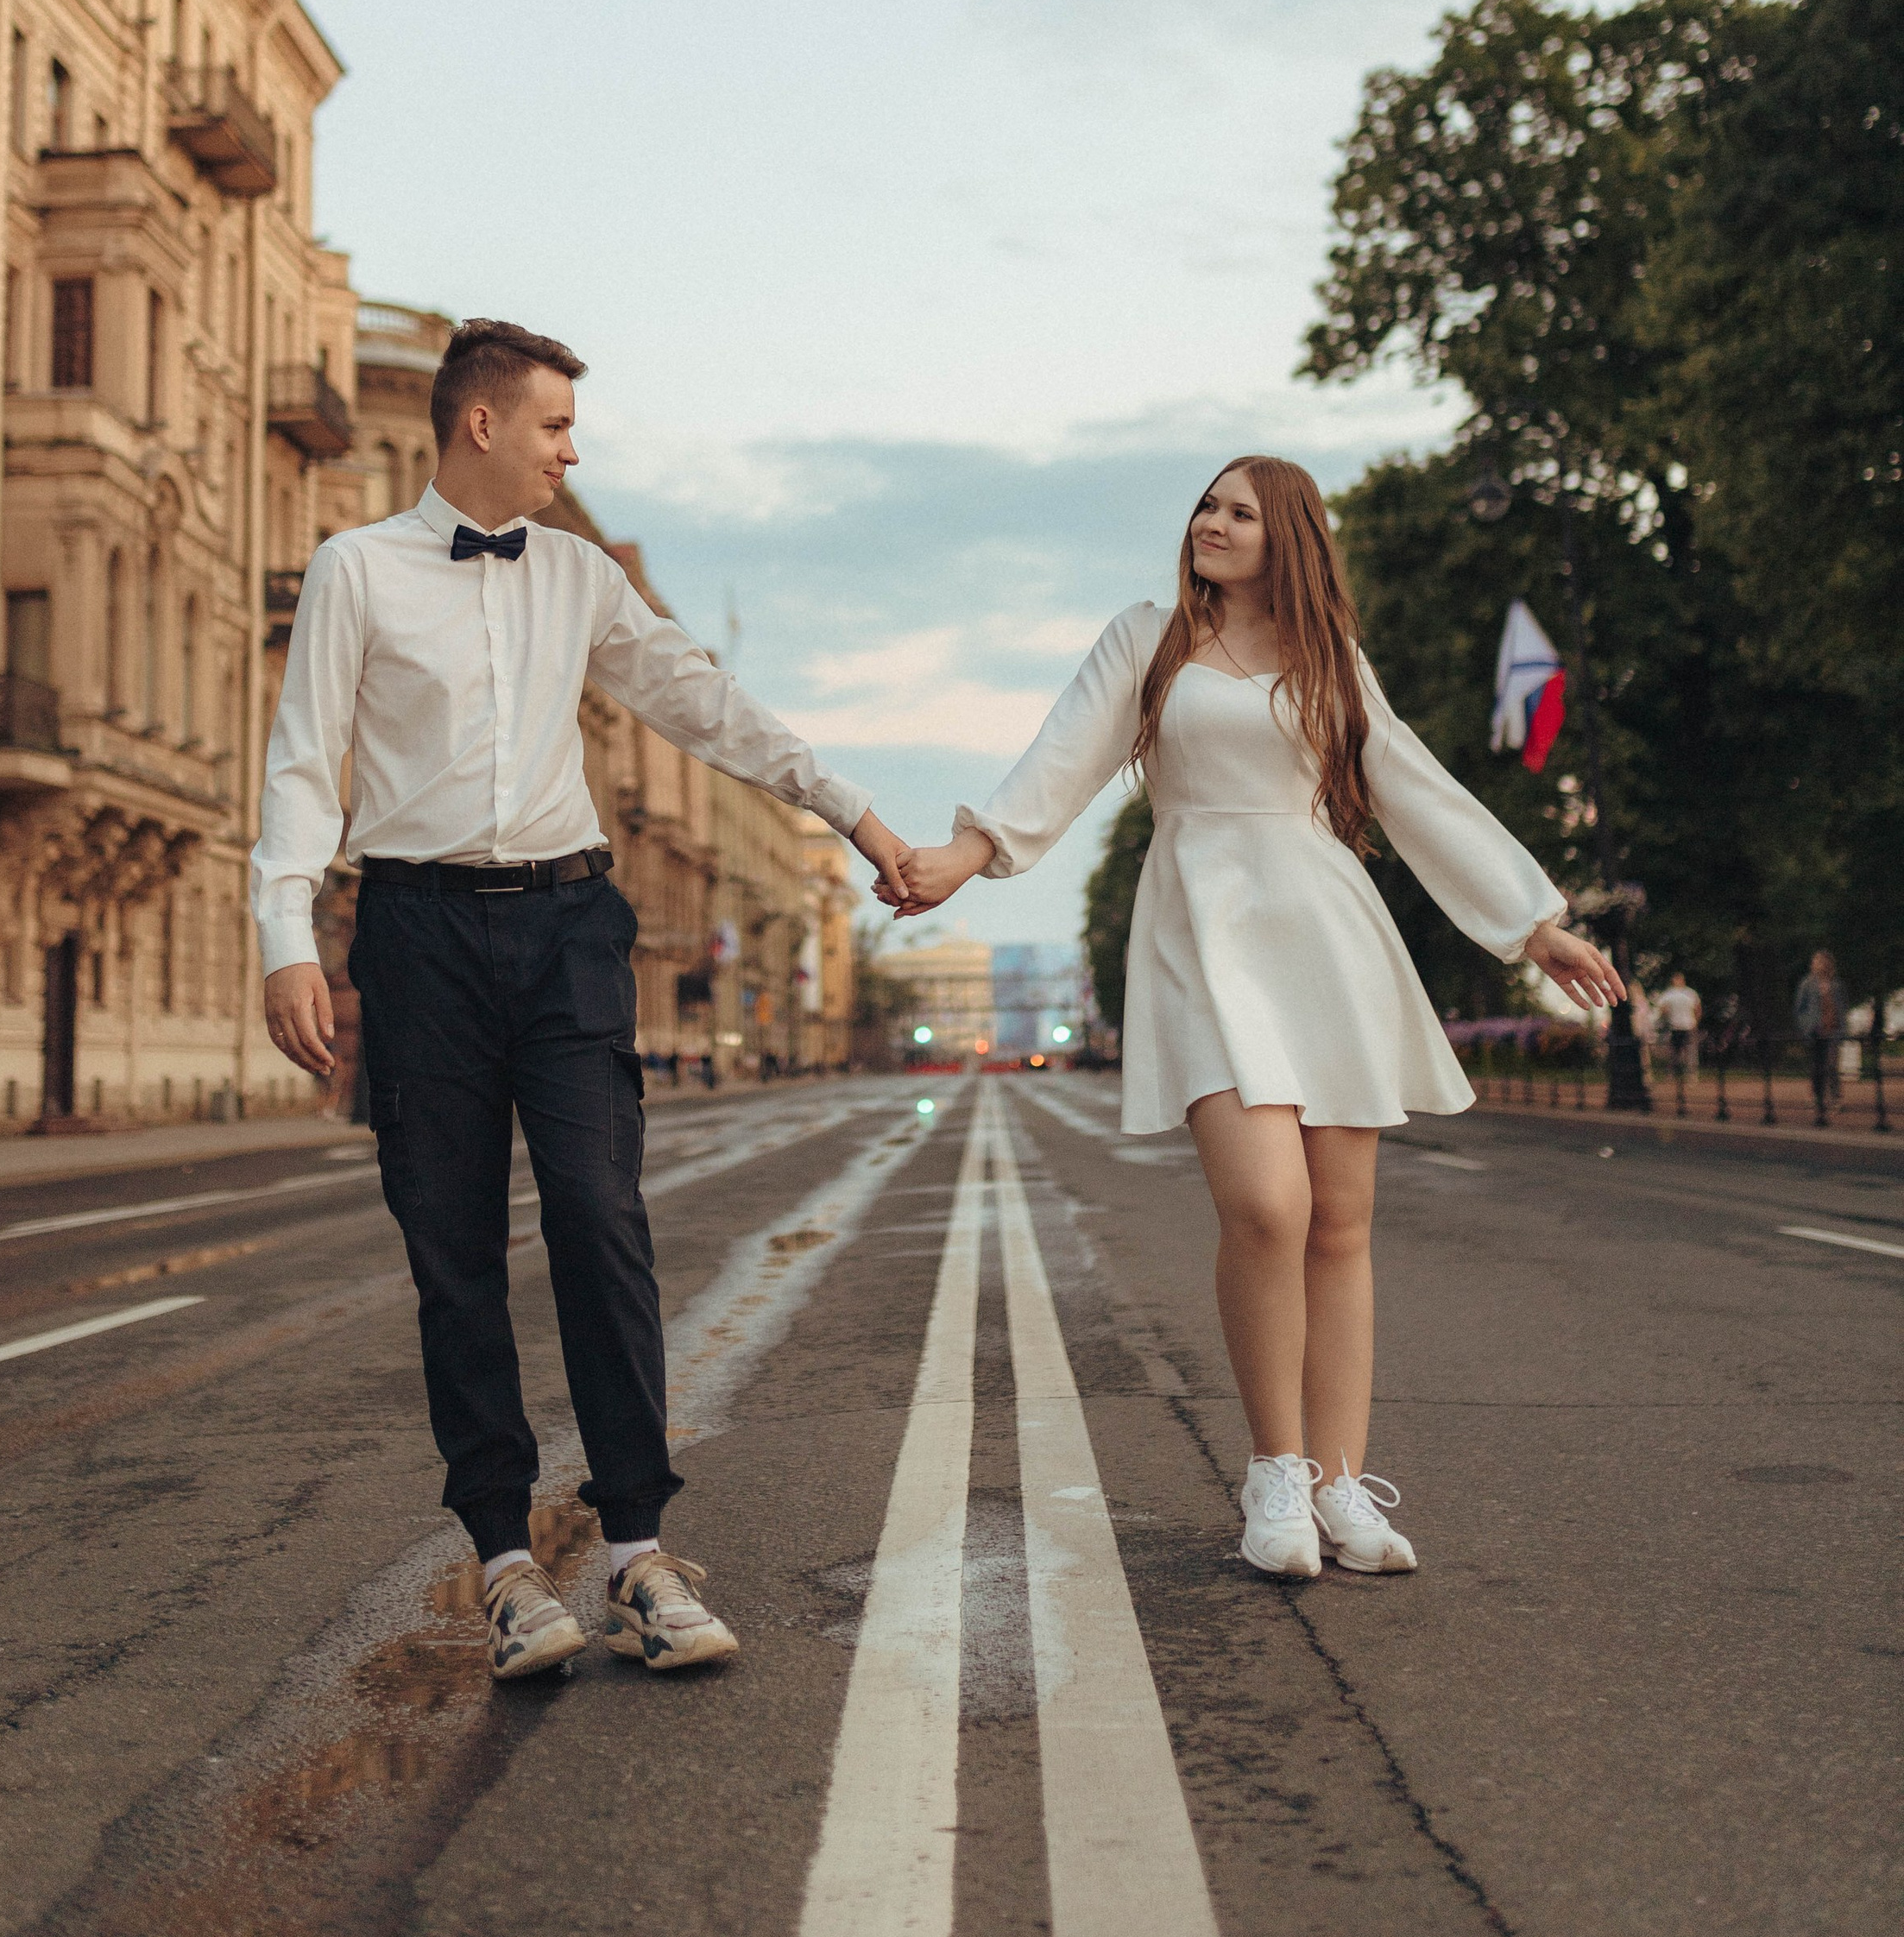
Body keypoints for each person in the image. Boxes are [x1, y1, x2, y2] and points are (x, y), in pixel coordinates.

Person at [254, 319, 912, 1680]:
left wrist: (850, 811)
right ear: (481, 424)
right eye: (556, 425)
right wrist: (283, 933)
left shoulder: (580, 579)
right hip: (418, 934)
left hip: (566, 926)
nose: (572, 450)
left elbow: (701, 703)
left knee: (603, 1220)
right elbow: (303, 765)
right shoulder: (356, 571)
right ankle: (502, 1562)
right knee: (452, 1253)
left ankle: (637, 1554)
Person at [889, 457, 1623, 1582]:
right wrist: (964, 857)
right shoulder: (1151, 640)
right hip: (1200, 929)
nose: (1211, 524)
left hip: (1324, 932)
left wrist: (1533, 926)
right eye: (1206, 505)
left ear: (1289, 538)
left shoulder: (1333, 663)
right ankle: (1275, 1472)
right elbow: (1060, 763)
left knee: (1340, 1221)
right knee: (1268, 1207)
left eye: (1240, 511)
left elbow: (1414, 789)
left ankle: (1341, 1484)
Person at [1794, 950, 1846, 1124]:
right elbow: (1800, 1007)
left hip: (1832, 1029)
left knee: (1832, 1064)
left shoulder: (1836, 984)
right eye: (1816, 961)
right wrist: (1806, 1025)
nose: (1818, 965)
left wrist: (1843, 1028)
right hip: (1815, 1030)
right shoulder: (1807, 984)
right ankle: (1817, 1097)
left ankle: (1835, 1097)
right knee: (1816, 1066)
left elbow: (1841, 1007)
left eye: (1821, 961)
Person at [1655, 972, 1702, 1081]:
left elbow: (1697, 1008)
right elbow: (1663, 1009)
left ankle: (1691, 1074)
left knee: (1690, 1051)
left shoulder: (1689, 993)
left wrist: (1695, 1022)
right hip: (1674, 1026)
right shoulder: (1669, 994)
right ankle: (1672, 1073)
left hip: (1688, 1025)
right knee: (1673, 1052)